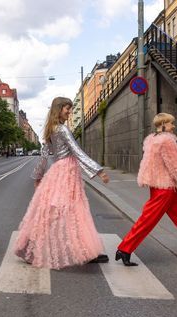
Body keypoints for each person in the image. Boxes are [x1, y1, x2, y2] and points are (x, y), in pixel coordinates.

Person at [14, 97, 110, 269]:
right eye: (67, 109)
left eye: (70, 109)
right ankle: (84, 251)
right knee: (72, 211)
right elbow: (77, 151)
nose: (69, 112)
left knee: (56, 212)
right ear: (58, 109)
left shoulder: (51, 130)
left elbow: (44, 156)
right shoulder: (63, 130)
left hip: (58, 171)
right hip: (67, 173)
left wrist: (38, 176)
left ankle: (28, 245)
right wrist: (98, 170)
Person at [115, 113, 177, 266]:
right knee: (148, 220)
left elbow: (148, 165)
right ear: (163, 124)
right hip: (165, 189)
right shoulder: (166, 141)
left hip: (163, 186)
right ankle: (125, 249)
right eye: (170, 123)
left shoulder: (152, 140)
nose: (173, 126)